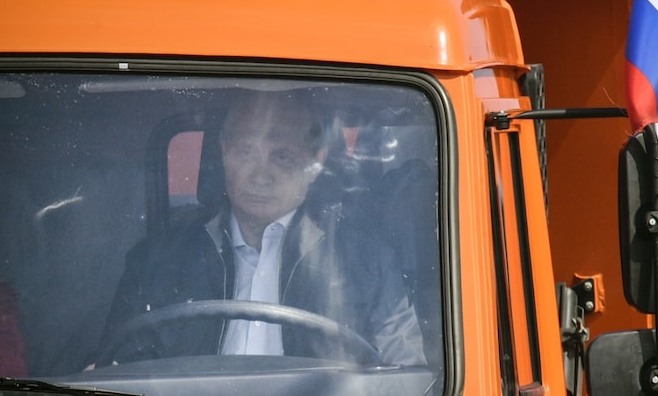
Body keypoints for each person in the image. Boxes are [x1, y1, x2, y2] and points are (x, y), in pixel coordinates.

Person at [99, 90, 426, 367]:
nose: (260, 175)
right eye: (246, 152)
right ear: (224, 151)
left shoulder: (368, 263)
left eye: (281, 156)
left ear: (316, 162)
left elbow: (404, 380)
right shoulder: (157, 259)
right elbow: (120, 375)